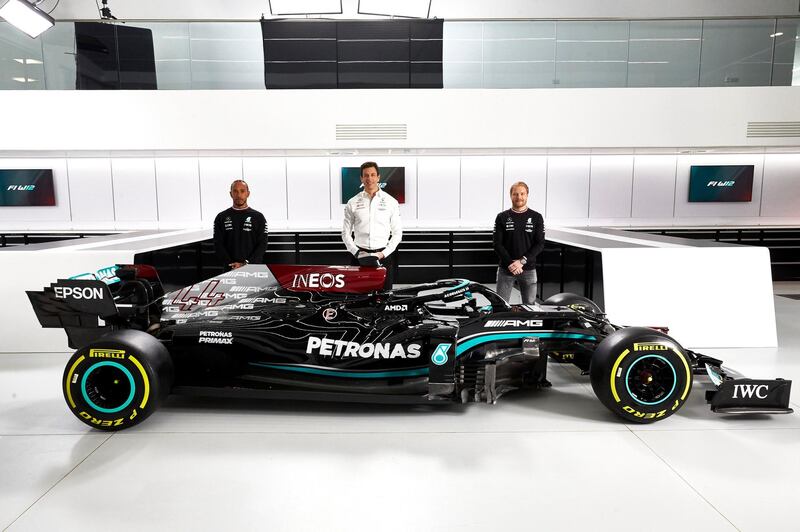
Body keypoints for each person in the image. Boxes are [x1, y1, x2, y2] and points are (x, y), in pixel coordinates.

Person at [342, 161, 402, 289]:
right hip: (358, 257)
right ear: (361, 178)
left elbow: (397, 233)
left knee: (384, 297)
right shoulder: (352, 202)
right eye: (366, 175)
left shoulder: (391, 202)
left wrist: (383, 253)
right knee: (357, 296)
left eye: (373, 175)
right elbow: (345, 233)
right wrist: (356, 252)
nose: (370, 178)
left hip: (383, 257)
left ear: (378, 177)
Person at [493, 181, 545, 304]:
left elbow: (539, 244)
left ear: (527, 195)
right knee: (500, 305)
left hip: (528, 268)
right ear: (510, 196)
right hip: (506, 268)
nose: (519, 197)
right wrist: (511, 263)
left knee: (530, 306)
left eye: (522, 194)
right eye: (515, 194)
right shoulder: (502, 217)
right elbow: (497, 244)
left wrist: (521, 262)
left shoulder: (537, 217)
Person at [213, 179, 268, 270]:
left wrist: (246, 263)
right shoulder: (221, 217)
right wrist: (231, 264)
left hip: (253, 268)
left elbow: (262, 244)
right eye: (235, 191)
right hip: (229, 268)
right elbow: (218, 244)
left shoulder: (258, 217)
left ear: (248, 193)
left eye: (242, 191)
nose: (239, 195)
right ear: (231, 194)